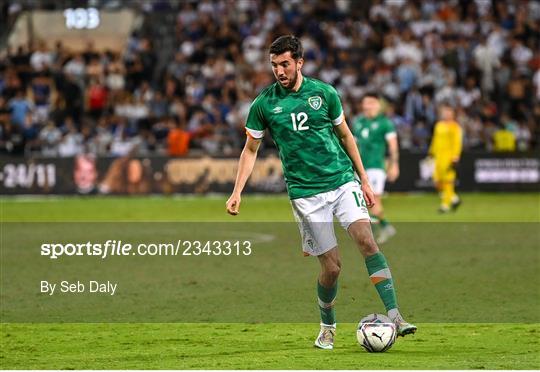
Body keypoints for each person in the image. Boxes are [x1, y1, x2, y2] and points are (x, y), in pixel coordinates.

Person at [226, 35, 416, 350]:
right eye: (274, 65)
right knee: (332, 267)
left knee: (367, 241)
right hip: (305, 194)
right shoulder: (264, 104)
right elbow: (250, 150)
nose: (279, 71)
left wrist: (364, 180)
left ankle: (395, 315)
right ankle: (327, 327)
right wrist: (237, 192)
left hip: (342, 181)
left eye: (285, 63)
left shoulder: (324, 94)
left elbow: (345, 135)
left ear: (299, 62)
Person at [352, 93, 399, 244]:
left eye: (372, 103)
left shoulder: (385, 123)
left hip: (376, 167)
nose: (368, 106)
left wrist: (394, 165)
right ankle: (384, 227)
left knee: (373, 200)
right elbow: (353, 145)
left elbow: (393, 147)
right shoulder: (358, 122)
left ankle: (377, 231)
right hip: (360, 168)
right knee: (363, 201)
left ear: (378, 105)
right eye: (366, 103)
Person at [428, 104, 462, 213]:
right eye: (445, 112)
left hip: (449, 157)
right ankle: (454, 198)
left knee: (448, 181)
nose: (447, 114)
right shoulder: (439, 125)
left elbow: (457, 142)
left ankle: (445, 205)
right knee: (438, 181)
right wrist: (431, 151)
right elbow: (435, 139)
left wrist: (455, 156)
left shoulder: (455, 127)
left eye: (449, 112)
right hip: (438, 157)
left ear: (453, 114)